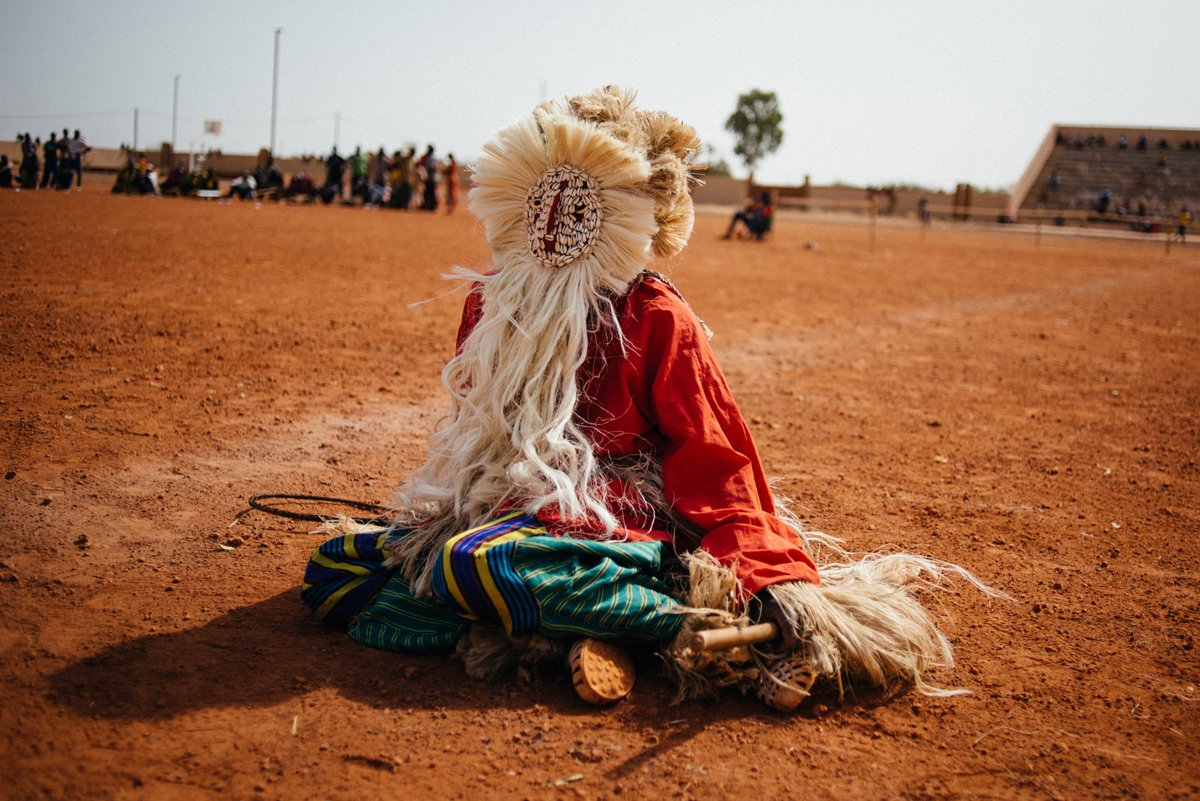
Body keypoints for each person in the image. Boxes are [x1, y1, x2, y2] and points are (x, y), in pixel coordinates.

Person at [301, 86, 986, 712]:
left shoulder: (655, 314)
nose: (556, 223)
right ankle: (578, 627)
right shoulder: (491, 301)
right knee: (335, 569)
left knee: (477, 564)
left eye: (580, 208)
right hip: (516, 514)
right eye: (546, 201)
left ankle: (697, 620)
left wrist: (764, 573)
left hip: (625, 528)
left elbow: (720, 462)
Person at [419, 144, 438, 211]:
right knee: (426, 192)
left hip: (432, 178)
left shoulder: (432, 158)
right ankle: (426, 205)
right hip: (427, 178)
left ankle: (432, 206)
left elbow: (432, 168)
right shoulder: (426, 157)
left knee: (431, 193)